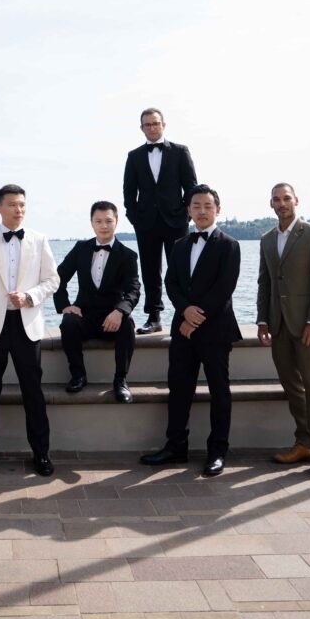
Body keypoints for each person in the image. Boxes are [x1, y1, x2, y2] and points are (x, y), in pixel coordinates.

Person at [141, 184, 241, 476]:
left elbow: (224, 288)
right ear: (188, 211)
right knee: (179, 389)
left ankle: (217, 451)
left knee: (219, 392)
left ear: (218, 210)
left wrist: (194, 316)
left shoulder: (230, 245)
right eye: (196, 205)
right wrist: (184, 310)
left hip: (216, 329)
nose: (201, 210)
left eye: (207, 206)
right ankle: (175, 448)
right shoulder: (180, 244)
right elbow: (171, 283)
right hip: (182, 330)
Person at [0, 184, 59, 480]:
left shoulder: (39, 239)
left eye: (22, 205)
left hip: (26, 327)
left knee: (34, 394)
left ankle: (41, 454)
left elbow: (52, 280)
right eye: (12, 205)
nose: (18, 210)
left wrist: (30, 296)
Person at [257, 183, 310, 483]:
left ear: (296, 200)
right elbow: (265, 284)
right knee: (292, 387)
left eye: (286, 198)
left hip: (307, 327)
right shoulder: (266, 239)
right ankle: (302, 443)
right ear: (271, 204)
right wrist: (263, 321)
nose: (281, 203)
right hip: (278, 326)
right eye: (276, 199)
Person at [53, 201, 140, 402]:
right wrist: (65, 305)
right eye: (98, 221)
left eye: (108, 221)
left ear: (116, 222)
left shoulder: (127, 255)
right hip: (85, 316)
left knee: (128, 324)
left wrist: (120, 311)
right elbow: (58, 277)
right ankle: (78, 375)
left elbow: (133, 289)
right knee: (68, 321)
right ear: (92, 223)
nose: (104, 225)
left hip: (113, 318)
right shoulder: (80, 248)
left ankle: (120, 381)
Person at [123, 107, 197, 334]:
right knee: (150, 271)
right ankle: (154, 317)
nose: (152, 128)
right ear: (141, 128)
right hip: (146, 223)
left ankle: (183, 314)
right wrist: (135, 217)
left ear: (163, 125)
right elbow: (129, 191)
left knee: (181, 270)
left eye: (155, 123)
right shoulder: (134, 156)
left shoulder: (180, 151)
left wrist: (185, 214)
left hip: (176, 220)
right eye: (147, 124)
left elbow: (191, 187)